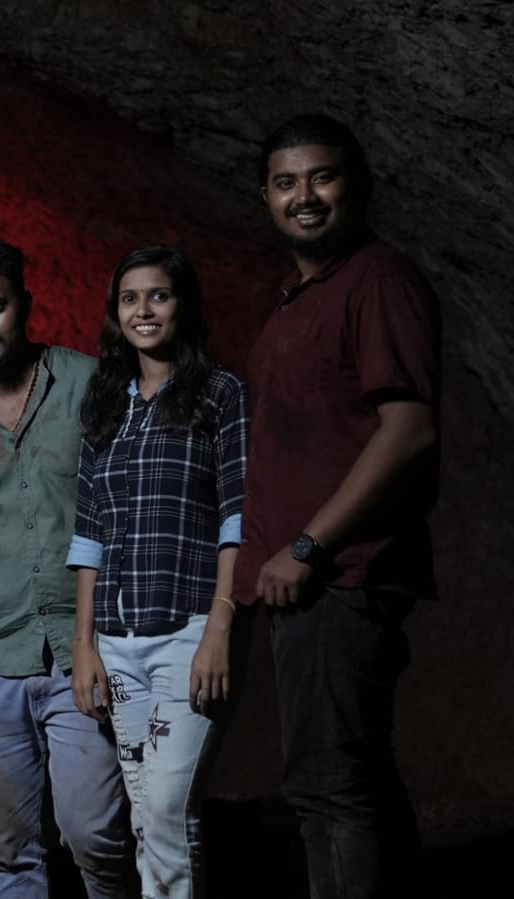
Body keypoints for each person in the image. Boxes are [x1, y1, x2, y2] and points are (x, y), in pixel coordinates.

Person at [235, 113, 439, 899]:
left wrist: (306, 546)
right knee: (356, 777)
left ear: (357, 185)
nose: (303, 196)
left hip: (341, 575)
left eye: (321, 177)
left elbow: (408, 429)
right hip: (313, 582)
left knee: (327, 785)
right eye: (285, 182)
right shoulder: (300, 297)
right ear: (265, 195)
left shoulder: (375, 278)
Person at [0, 237, 137, 898]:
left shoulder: (89, 384)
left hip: (86, 649)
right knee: (9, 851)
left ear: (25, 304)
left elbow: (134, 505)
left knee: (94, 835)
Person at [66, 247, 249, 899]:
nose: (143, 310)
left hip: (188, 630)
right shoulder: (105, 403)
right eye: (129, 298)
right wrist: (83, 644)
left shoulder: (220, 393)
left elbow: (238, 517)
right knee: (147, 812)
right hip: (116, 639)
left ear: (183, 305)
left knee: (169, 807)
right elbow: (88, 531)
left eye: (159, 295)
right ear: (115, 314)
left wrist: (220, 628)